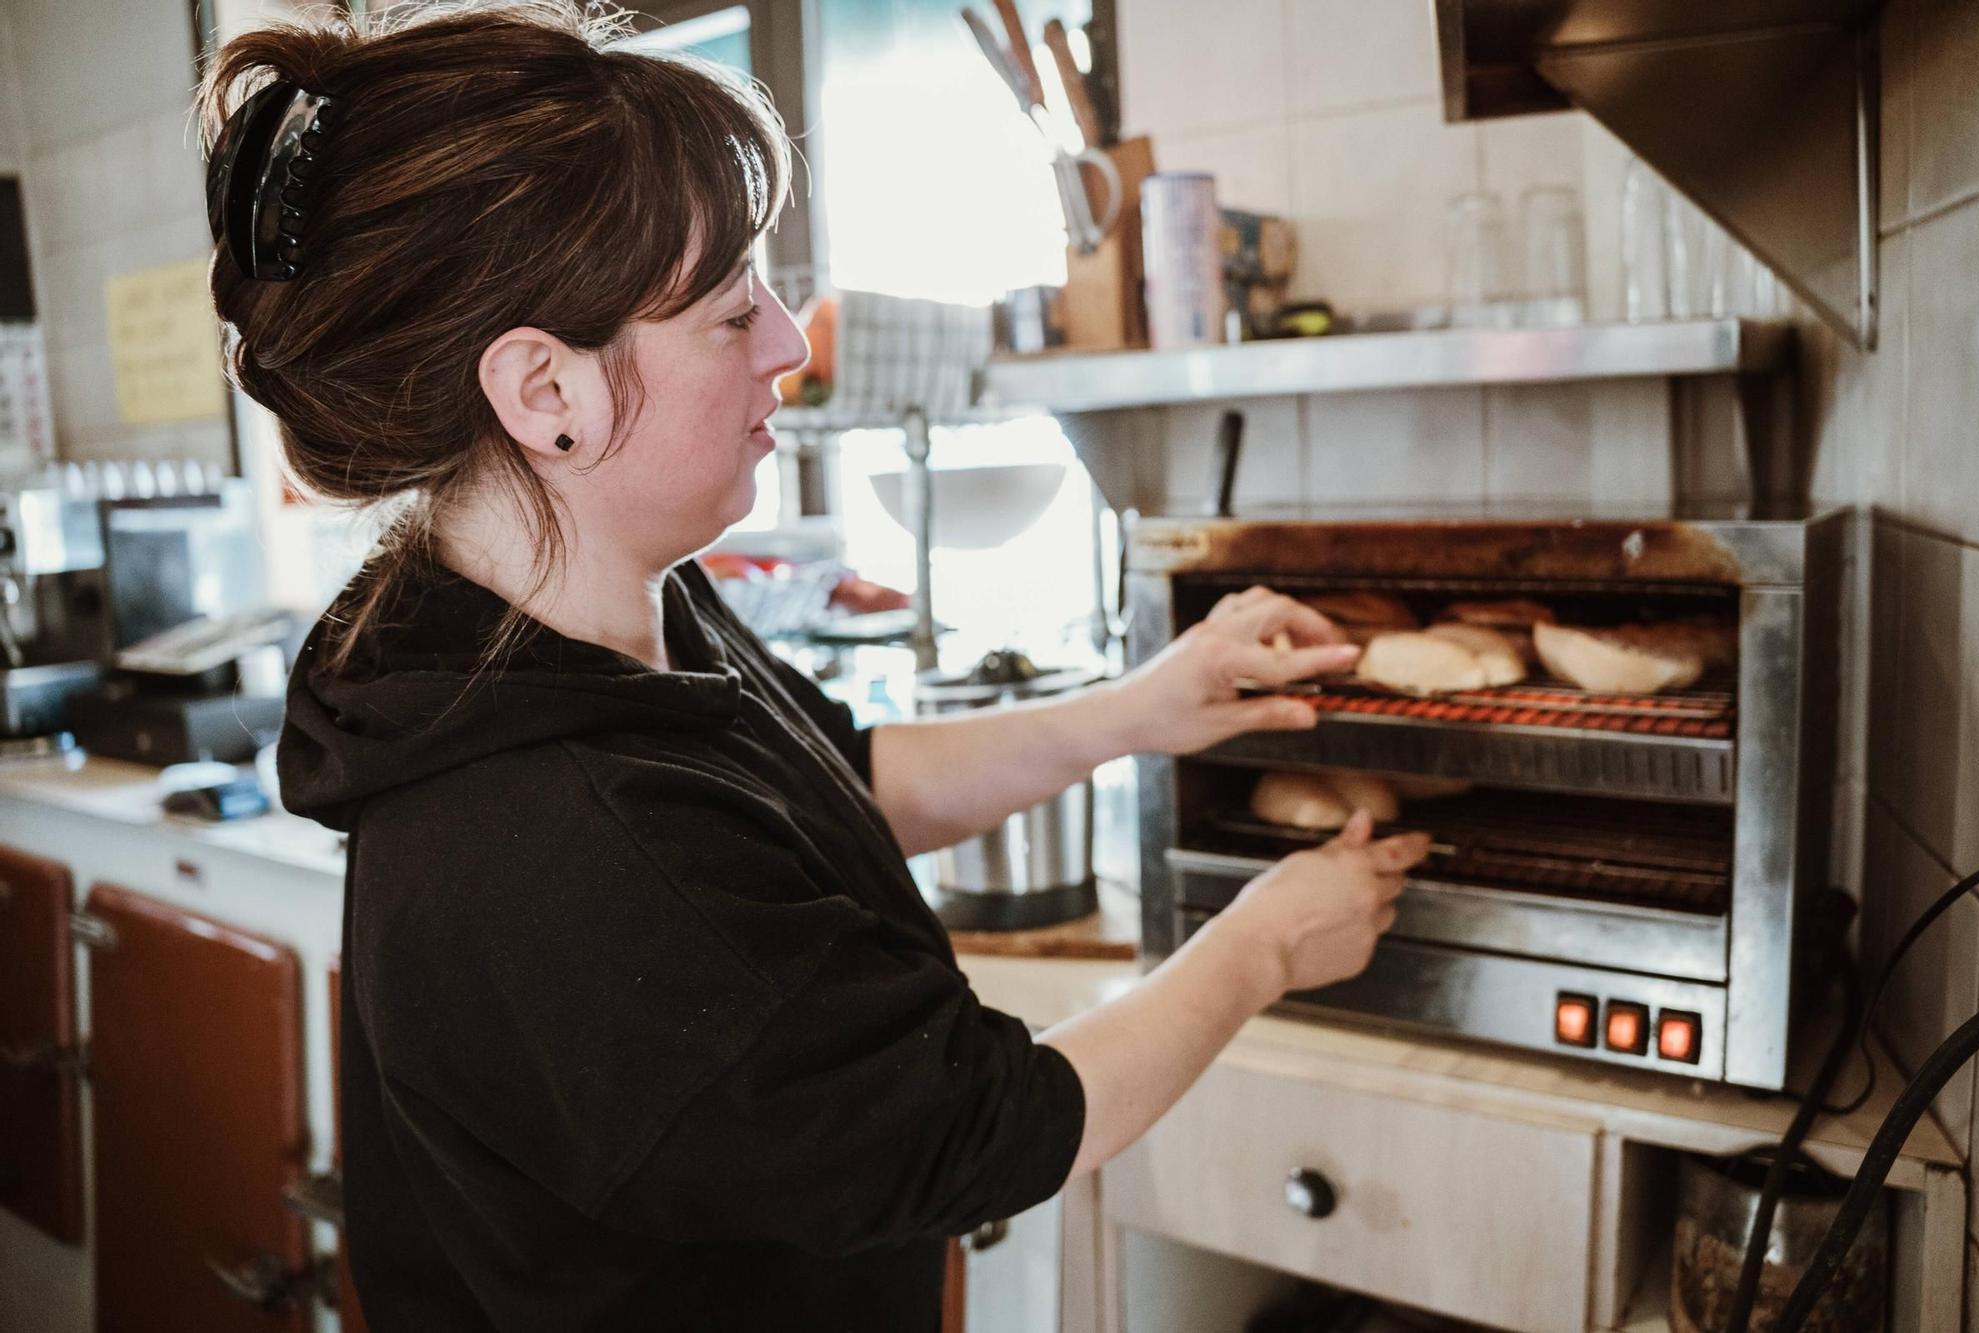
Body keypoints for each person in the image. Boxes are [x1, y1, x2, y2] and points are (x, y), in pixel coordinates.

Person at [203, 4, 1429, 1329]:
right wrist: (1261, 944)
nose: (791, 343)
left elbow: (840, 776)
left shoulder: (590, 619)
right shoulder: (565, 837)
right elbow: (977, 1127)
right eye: (734, 312)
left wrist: (1140, 706)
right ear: (544, 393)